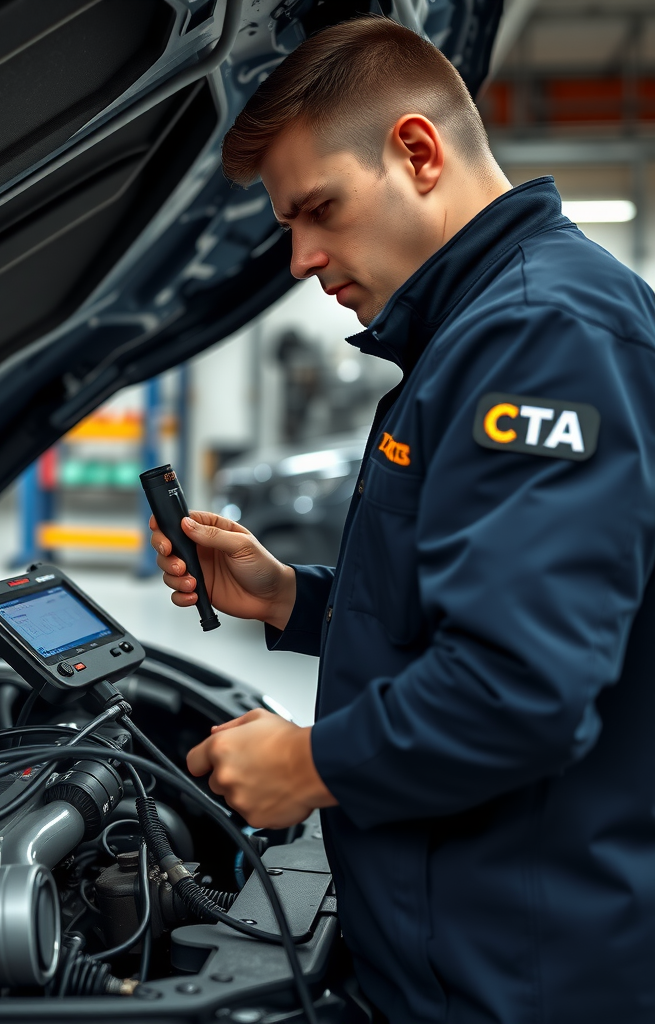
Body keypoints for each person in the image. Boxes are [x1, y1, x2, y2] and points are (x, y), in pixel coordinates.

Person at [150, 17, 655, 1024]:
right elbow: (464, 612)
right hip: (458, 949)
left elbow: (522, 687)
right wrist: (291, 600)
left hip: (520, 978)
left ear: (416, 152)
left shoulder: (539, 336)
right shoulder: (479, 333)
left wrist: (308, 764)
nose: (299, 257)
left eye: (316, 209)